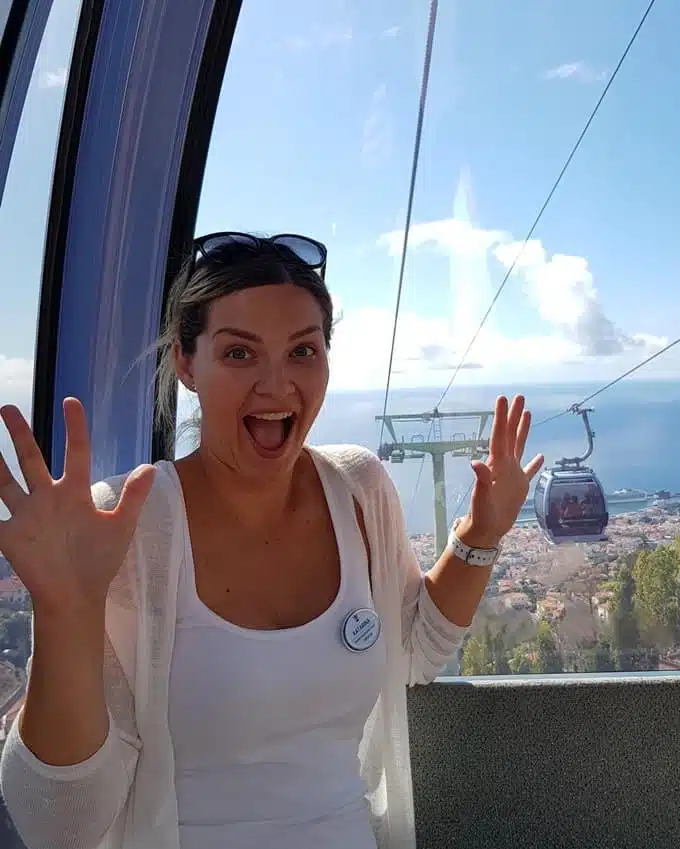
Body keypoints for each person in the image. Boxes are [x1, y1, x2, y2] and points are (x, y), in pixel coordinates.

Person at [0, 231, 544, 849]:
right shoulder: (127, 526)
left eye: (303, 352)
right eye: (239, 354)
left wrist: (483, 533)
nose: (277, 385)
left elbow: (414, 651)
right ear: (186, 362)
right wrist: (65, 613)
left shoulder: (358, 488)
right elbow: (58, 822)